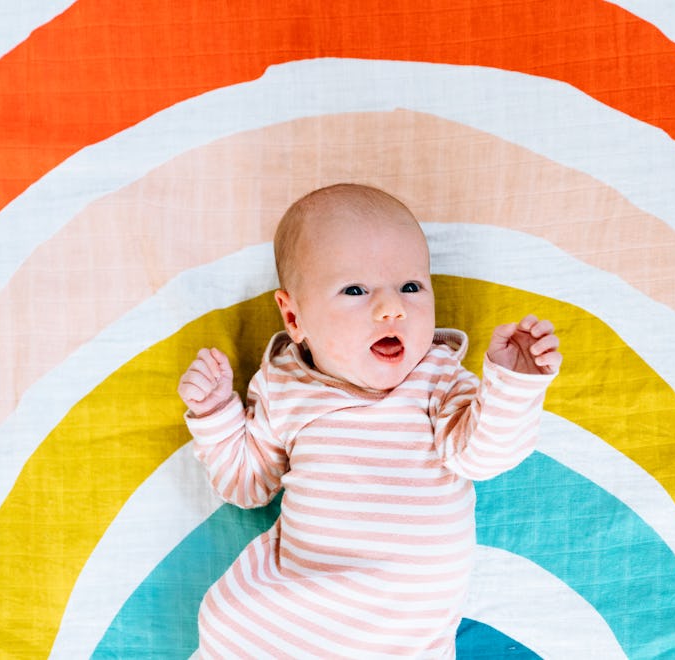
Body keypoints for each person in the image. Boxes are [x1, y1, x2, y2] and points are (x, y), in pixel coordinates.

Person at [177, 183, 562, 659]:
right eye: (356, 290)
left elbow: (483, 455)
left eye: (412, 287)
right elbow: (247, 485)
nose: (392, 308)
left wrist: (514, 384)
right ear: (294, 316)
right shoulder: (284, 386)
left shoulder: (436, 378)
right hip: (293, 614)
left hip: (399, 635)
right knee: (233, 621)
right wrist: (215, 414)